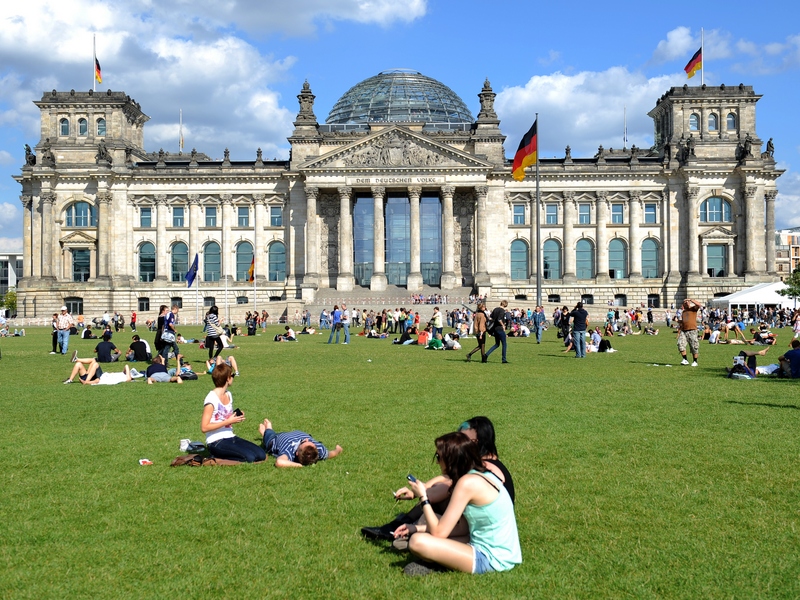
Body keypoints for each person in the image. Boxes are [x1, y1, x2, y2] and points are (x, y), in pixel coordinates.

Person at [392, 431, 521, 576]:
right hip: (485, 544)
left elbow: (439, 532)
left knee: (417, 542)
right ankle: (436, 560)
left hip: (493, 558)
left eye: (438, 457)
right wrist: (416, 528)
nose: (436, 462)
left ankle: (437, 563)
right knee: (424, 524)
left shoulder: (467, 483)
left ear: (451, 460)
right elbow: (462, 528)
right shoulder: (479, 475)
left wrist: (423, 497)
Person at [200, 361, 265, 463]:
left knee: (261, 455)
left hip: (230, 436)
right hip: (216, 441)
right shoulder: (211, 399)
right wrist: (228, 421)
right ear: (227, 379)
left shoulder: (228, 394)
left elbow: (224, 416)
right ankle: (214, 457)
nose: (233, 378)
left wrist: (235, 416)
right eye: (232, 375)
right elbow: (204, 427)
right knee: (250, 458)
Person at [259, 418, 342, 468]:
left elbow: (279, 462)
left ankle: (266, 431)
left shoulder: (289, 451)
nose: (306, 439)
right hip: (286, 434)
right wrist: (338, 450)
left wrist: (299, 465)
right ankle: (265, 431)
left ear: (297, 453)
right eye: (310, 441)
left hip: (274, 439)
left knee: (268, 434)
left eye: (303, 442)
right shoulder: (319, 449)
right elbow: (330, 454)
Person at [63, 359, 134, 385]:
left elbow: (126, 366)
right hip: (91, 375)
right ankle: (70, 380)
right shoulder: (122, 374)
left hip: (97, 377)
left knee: (96, 364)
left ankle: (86, 382)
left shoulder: (126, 378)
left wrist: (128, 373)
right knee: (82, 363)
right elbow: (125, 368)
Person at [677, 298, 701, 366]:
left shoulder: (693, 309)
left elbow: (699, 305)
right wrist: (679, 321)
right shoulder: (684, 312)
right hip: (684, 330)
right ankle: (685, 359)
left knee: (694, 346)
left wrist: (691, 299)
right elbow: (685, 321)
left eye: (687, 302)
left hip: (692, 330)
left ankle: (695, 361)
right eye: (684, 302)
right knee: (680, 344)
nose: (686, 303)